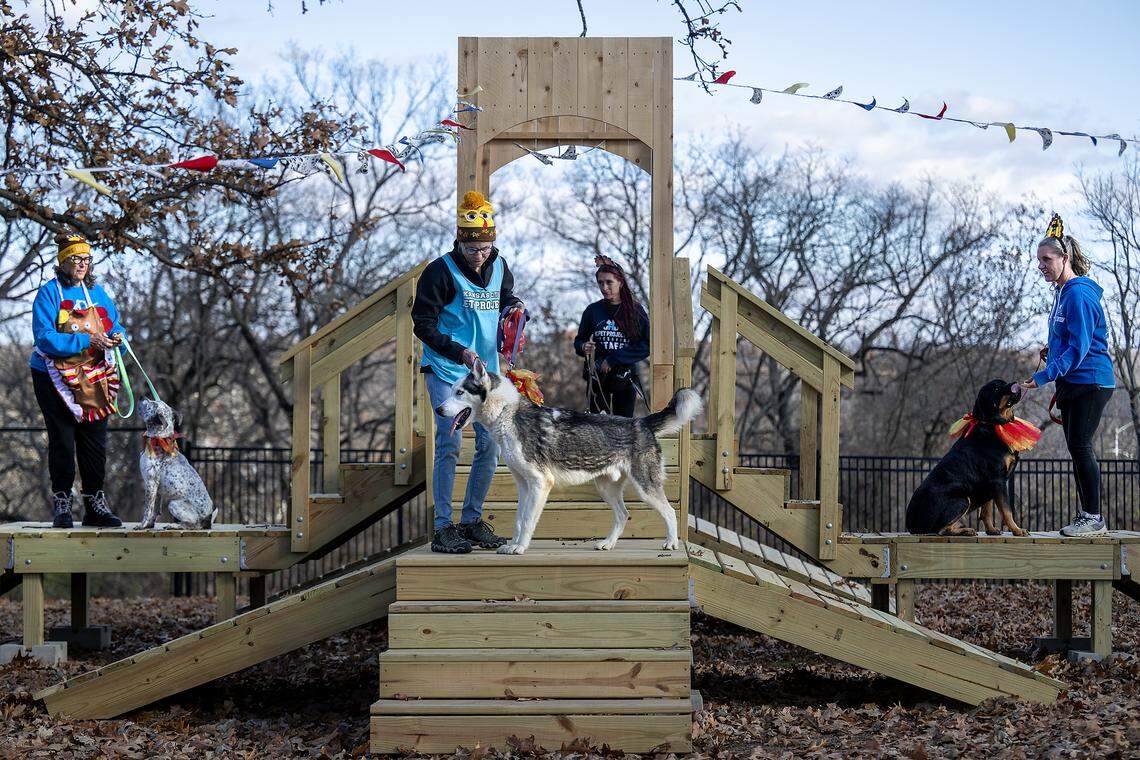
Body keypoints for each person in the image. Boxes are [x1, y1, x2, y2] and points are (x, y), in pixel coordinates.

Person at [412, 191, 521, 553]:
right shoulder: (439, 271)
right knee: (450, 441)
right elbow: (422, 324)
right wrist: (457, 350)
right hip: (446, 368)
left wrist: (515, 310)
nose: (480, 254)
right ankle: (443, 526)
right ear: (459, 240)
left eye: (486, 247)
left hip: (485, 374)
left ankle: (472, 520)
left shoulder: (500, 267)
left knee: (490, 445)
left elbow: (506, 301)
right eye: (472, 248)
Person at [1021, 214, 1115, 537]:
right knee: (1076, 447)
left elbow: (1079, 348)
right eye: (1039, 261)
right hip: (1075, 382)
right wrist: (1052, 348)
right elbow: (1067, 338)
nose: (1041, 266)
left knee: (1080, 444)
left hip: (1092, 380)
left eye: (1046, 259)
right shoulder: (1062, 293)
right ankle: (1087, 516)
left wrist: (1046, 374)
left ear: (1065, 258)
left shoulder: (1077, 294)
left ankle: (1094, 518)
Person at [30, 234, 125, 529]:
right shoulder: (48, 294)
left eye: (86, 259)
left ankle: (95, 504)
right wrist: (87, 339)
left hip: (93, 377)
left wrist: (118, 340)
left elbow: (115, 324)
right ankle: (62, 504)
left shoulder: (98, 293)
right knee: (62, 439)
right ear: (63, 262)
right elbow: (45, 338)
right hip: (52, 376)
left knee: (95, 441)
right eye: (76, 259)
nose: (82, 264)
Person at [573, 255, 650, 417]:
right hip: (598, 378)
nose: (604, 287)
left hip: (625, 377)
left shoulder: (636, 311)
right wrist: (583, 346)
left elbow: (647, 345)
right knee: (597, 427)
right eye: (600, 283)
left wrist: (614, 359)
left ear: (620, 283)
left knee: (623, 429)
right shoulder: (593, 311)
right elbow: (579, 341)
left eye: (609, 282)